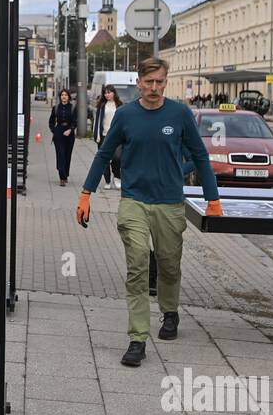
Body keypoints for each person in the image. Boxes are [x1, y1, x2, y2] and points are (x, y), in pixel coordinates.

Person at [76, 58, 223, 366]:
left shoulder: (180, 114)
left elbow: (199, 155)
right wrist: (86, 193)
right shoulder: (127, 115)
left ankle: (170, 312)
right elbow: (104, 154)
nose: (154, 88)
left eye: (160, 82)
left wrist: (213, 199)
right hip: (134, 201)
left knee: (169, 264)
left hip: (170, 203)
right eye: (149, 82)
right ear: (139, 82)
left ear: (165, 82)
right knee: (138, 262)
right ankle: (137, 339)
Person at [93, 84, 122, 189]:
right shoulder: (101, 106)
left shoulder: (120, 105)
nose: (107, 95)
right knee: (104, 159)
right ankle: (107, 181)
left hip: (117, 136)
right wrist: (96, 135)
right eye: (105, 93)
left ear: (114, 93)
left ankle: (117, 177)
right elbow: (97, 122)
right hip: (104, 135)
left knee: (117, 157)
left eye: (109, 92)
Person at [49, 88, 77, 186]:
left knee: (67, 155)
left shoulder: (73, 107)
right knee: (60, 154)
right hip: (59, 133)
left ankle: (66, 174)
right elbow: (51, 121)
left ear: (68, 97)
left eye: (65, 95)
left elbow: (75, 121)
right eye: (62, 95)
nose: (63, 96)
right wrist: (54, 131)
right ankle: (62, 177)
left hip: (70, 133)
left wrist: (70, 130)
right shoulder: (56, 108)